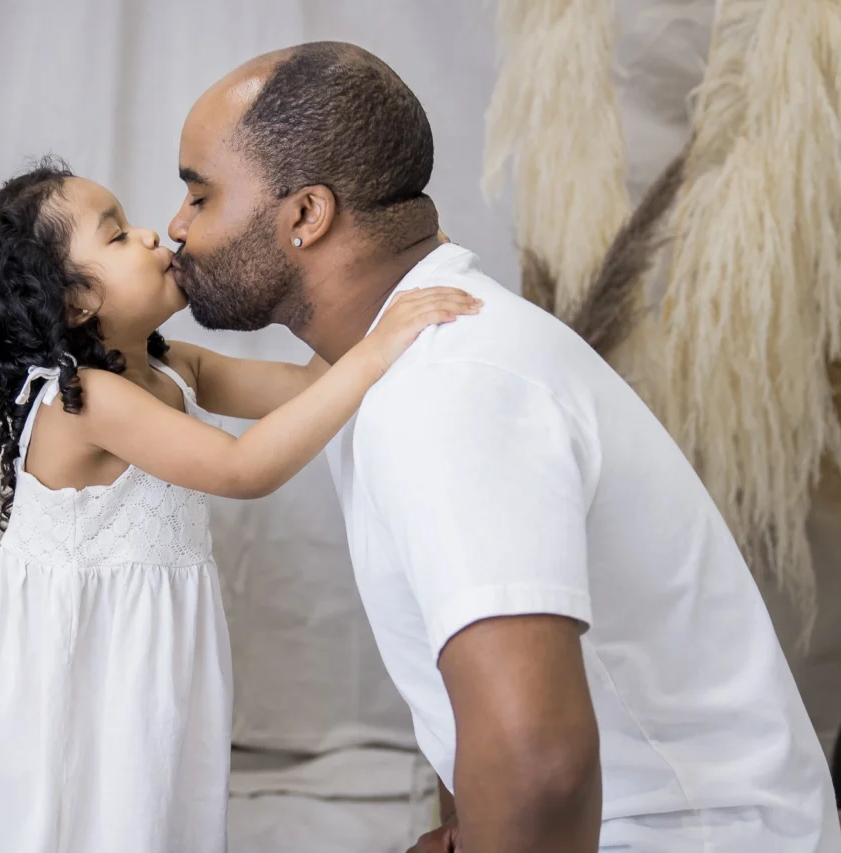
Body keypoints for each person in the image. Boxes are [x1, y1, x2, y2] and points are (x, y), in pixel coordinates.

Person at [168, 41, 841, 853]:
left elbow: (538, 763)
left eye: (199, 196)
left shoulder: (451, 387)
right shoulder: (407, 354)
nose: (174, 229)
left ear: (306, 216)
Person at [0, 160, 480, 853]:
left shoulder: (168, 364)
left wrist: (389, 282)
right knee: (85, 804)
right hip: (86, 653)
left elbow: (304, 385)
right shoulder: (86, 401)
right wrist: (378, 354)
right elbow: (242, 468)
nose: (156, 234)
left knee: (153, 797)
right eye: (120, 235)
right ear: (74, 303)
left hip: (151, 639)